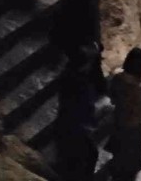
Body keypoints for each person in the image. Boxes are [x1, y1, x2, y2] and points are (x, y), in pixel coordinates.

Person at [51, 0, 109, 87]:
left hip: (61, 30)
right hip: (69, 38)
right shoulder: (88, 4)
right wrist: (95, 44)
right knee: (91, 55)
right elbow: (90, 27)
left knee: (95, 51)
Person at [55, 47, 100, 181]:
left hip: (68, 123)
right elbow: (83, 105)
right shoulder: (81, 83)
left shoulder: (68, 75)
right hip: (76, 126)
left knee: (82, 156)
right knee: (88, 156)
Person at [107, 47, 141, 181]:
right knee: (132, 155)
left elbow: (112, 96)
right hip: (134, 126)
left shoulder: (117, 78)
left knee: (121, 150)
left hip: (119, 120)